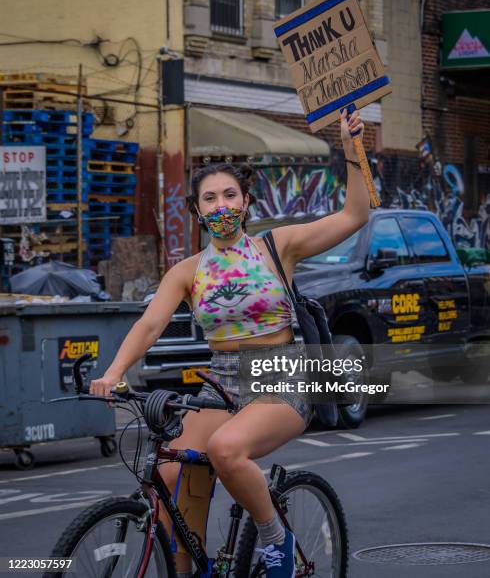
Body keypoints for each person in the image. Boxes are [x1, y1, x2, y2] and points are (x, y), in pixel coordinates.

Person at [90, 109, 370, 577]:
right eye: (209, 199)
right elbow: (149, 325)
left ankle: (276, 542)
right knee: (171, 470)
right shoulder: (187, 270)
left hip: (280, 374)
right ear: (197, 211)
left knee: (225, 449)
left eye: (229, 195)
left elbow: (355, 214)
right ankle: (187, 567)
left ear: (245, 202)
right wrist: (113, 372)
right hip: (220, 382)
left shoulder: (276, 247)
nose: (220, 205)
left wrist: (352, 148)